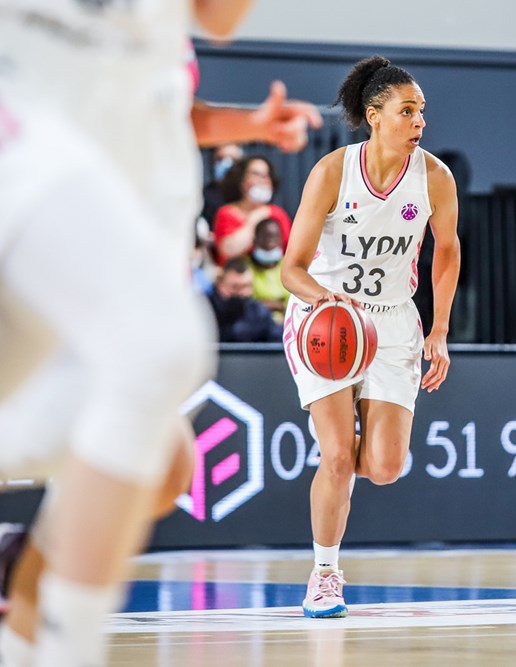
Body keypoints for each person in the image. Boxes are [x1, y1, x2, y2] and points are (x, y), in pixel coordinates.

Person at [0, 3, 322, 664]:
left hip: (100, 242)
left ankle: (24, 617)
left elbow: (220, 21)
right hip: (33, 157)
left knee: (168, 459)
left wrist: (251, 125)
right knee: (158, 352)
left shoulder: (150, 49)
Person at [281, 55, 460, 619]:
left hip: (393, 322)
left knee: (382, 467)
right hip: (325, 320)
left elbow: (447, 252)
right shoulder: (334, 172)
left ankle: (338, 471)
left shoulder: (434, 177)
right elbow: (291, 268)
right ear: (374, 115)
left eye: (422, 112)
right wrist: (323, 301)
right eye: (408, 111)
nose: (419, 122)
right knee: (336, 457)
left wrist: (440, 330)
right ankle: (325, 574)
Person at [213, 155, 293, 265]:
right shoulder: (227, 212)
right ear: (241, 180)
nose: (263, 181)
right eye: (257, 174)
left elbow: (291, 252)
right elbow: (228, 250)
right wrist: (255, 219)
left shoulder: (278, 214)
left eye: (267, 176)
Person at [209, 257, 283, 343]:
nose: (243, 293)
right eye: (235, 287)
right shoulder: (206, 309)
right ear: (220, 284)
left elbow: (275, 339)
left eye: (247, 286)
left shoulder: (258, 312)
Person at [249, 217, 291, 322]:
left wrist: (278, 306)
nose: (270, 243)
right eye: (265, 237)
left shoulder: (290, 266)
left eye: (275, 237)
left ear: (281, 240)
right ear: (255, 240)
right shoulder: (244, 267)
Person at [202, 142, 245, 232]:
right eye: (220, 159)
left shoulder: (248, 195)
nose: (226, 164)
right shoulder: (204, 195)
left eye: (233, 160)